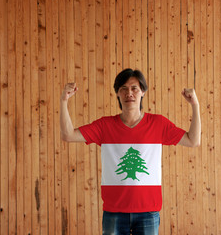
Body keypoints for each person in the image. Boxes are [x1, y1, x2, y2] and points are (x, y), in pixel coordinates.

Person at [60, 68, 201, 235]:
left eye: (134, 88)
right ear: (118, 94)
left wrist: (195, 105)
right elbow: (68, 135)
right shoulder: (105, 126)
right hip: (114, 212)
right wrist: (63, 101)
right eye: (123, 89)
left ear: (143, 92)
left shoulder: (158, 124)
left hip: (148, 212)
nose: (129, 93)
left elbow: (193, 140)